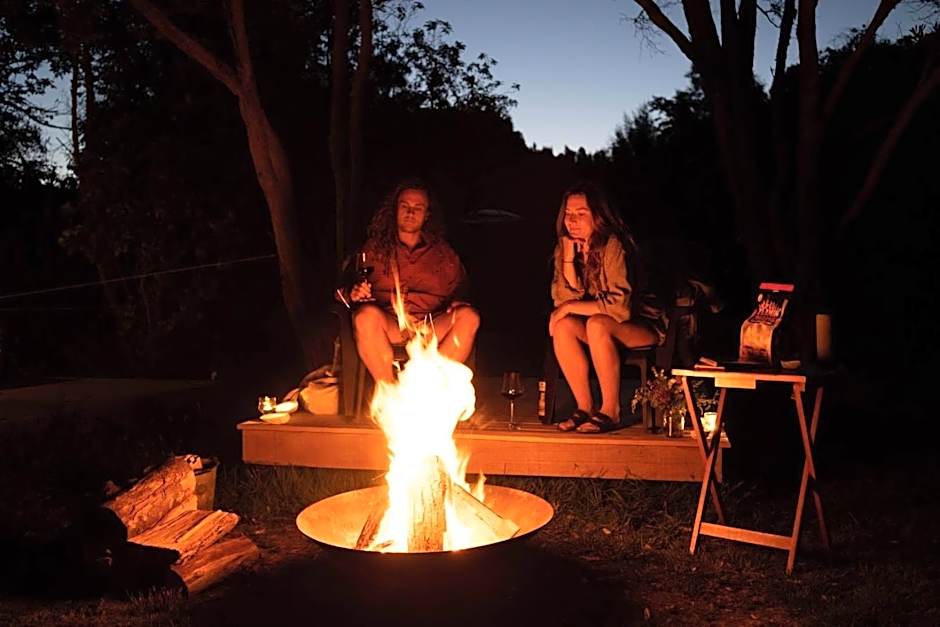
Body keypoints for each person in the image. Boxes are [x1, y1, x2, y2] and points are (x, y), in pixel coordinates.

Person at [548, 183, 666, 433]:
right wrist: (569, 261)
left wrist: (570, 306)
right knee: (564, 326)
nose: (573, 221)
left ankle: (610, 411)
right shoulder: (567, 247)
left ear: (597, 215)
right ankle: (584, 407)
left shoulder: (613, 246)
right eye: (569, 214)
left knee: (596, 323)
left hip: (642, 323)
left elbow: (620, 309)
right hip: (600, 327)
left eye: (581, 214)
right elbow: (562, 302)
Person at [342, 178, 480, 383]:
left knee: (469, 317)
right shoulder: (373, 250)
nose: (410, 212)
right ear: (395, 211)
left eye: (418, 207)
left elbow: (461, 290)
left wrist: (459, 300)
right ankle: (390, 393)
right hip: (390, 325)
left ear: (427, 215)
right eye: (404, 206)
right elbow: (341, 290)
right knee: (365, 317)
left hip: (430, 324)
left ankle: (429, 389)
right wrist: (352, 294)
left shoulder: (443, 254)